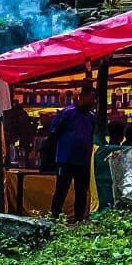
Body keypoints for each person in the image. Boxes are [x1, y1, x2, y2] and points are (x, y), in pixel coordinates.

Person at [47, 89, 98, 222]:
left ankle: (78, 220)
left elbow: (92, 135)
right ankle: (54, 218)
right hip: (66, 159)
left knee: (81, 192)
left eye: (94, 99)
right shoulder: (67, 113)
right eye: (91, 98)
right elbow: (53, 132)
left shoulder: (91, 117)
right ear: (82, 97)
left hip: (83, 160)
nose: (92, 102)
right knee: (61, 190)